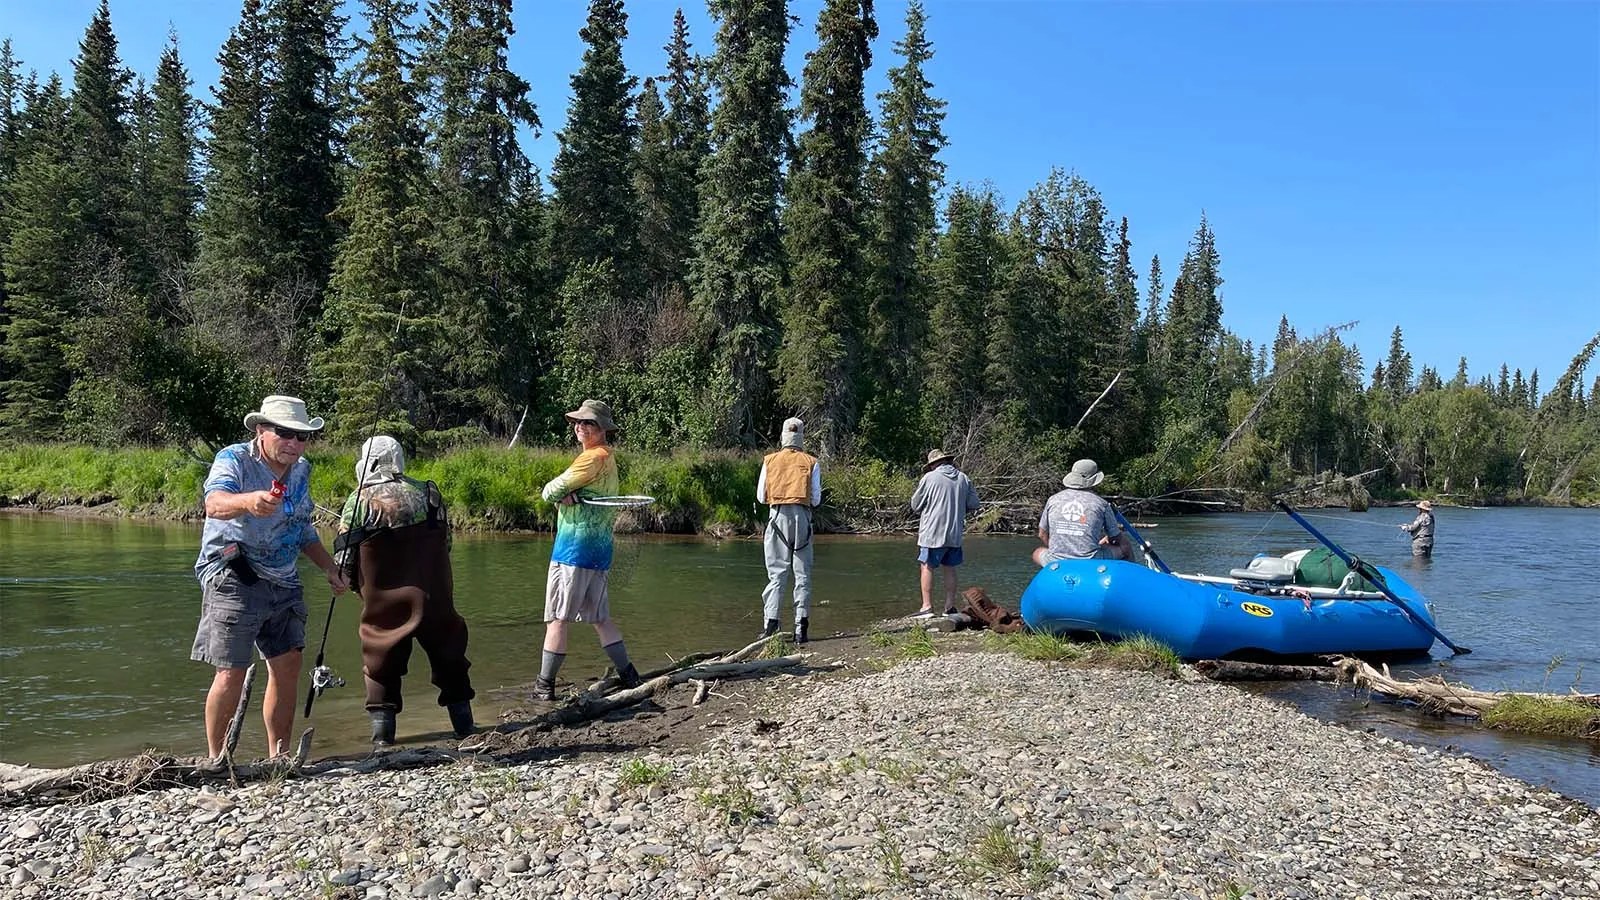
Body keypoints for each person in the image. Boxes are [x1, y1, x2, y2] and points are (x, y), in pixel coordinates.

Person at [192, 395, 349, 761]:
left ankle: (279, 756)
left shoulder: (302, 470)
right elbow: (213, 504)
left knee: (288, 664)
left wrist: (329, 567)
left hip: (285, 579)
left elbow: (303, 529)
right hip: (234, 573)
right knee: (232, 670)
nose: (294, 443)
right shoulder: (234, 459)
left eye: (301, 436)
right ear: (261, 430)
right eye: (284, 433)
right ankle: (217, 760)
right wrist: (249, 501)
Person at [333, 436, 475, 747]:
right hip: (435, 597)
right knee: (450, 656)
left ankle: (383, 740)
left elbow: (343, 561)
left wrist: (349, 582)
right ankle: (466, 730)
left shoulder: (359, 501)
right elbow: (446, 545)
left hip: (384, 602)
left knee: (380, 664)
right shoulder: (430, 492)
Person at [534, 400, 641, 701]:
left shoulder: (591, 458)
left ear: (602, 429)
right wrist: (568, 493)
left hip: (573, 549)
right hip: (600, 550)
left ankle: (544, 687)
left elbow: (549, 491)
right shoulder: (609, 458)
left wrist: (562, 493)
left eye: (588, 423)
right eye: (578, 423)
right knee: (599, 618)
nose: (580, 427)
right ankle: (630, 676)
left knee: (557, 618)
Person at [757, 417, 822, 643]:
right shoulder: (812, 462)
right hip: (802, 519)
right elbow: (815, 499)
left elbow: (761, 496)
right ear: (801, 437)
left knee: (777, 573)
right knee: (802, 574)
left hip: (777, 518)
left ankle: (771, 626)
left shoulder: (769, 461)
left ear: (783, 436)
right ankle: (800, 627)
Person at [909, 448, 981, 616]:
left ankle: (927, 606)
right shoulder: (964, 478)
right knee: (950, 567)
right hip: (954, 533)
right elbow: (974, 503)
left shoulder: (929, 478)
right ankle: (949, 607)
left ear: (933, 464)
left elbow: (915, 505)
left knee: (927, 566)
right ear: (948, 461)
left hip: (932, 533)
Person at [1032, 458, 1130, 567]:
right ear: (1094, 481)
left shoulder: (1053, 499)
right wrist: (1108, 539)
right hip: (1090, 560)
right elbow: (1115, 538)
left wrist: (1057, 552)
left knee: (1037, 552)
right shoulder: (1101, 504)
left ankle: (1055, 573)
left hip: (1056, 560)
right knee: (1125, 546)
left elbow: (1042, 534)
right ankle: (1129, 579)